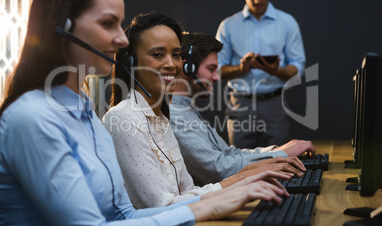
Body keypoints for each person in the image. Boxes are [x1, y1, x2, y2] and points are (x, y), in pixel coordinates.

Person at [0, 0, 290, 226]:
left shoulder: (83, 111)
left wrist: (226, 194)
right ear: (63, 28)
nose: (122, 39)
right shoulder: (33, 117)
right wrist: (207, 205)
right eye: (107, 23)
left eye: (120, 23)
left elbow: (124, 214)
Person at [102, 11, 291, 210]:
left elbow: (188, 191)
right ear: (131, 63)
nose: (171, 64)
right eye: (158, 54)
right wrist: (242, 181)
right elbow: (161, 206)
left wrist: (247, 177)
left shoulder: (160, 118)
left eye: (176, 55)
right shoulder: (123, 119)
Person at [170, 32, 315, 186]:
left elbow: (229, 154)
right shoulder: (176, 116)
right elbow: (219, 170)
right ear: (187, 68)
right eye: (211, 69)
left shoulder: (188, 110)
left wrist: (278, 151)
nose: (217, 77)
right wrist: (283, 154)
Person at [216, 0, 306, 149]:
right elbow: (217, 70)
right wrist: (241, 68)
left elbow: (298, 68)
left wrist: (276, 70)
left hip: (274, 104)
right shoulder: (228, 26)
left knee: (279, 163)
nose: (257, 0)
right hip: (240, 103)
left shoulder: (287, 23)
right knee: (239, 166)